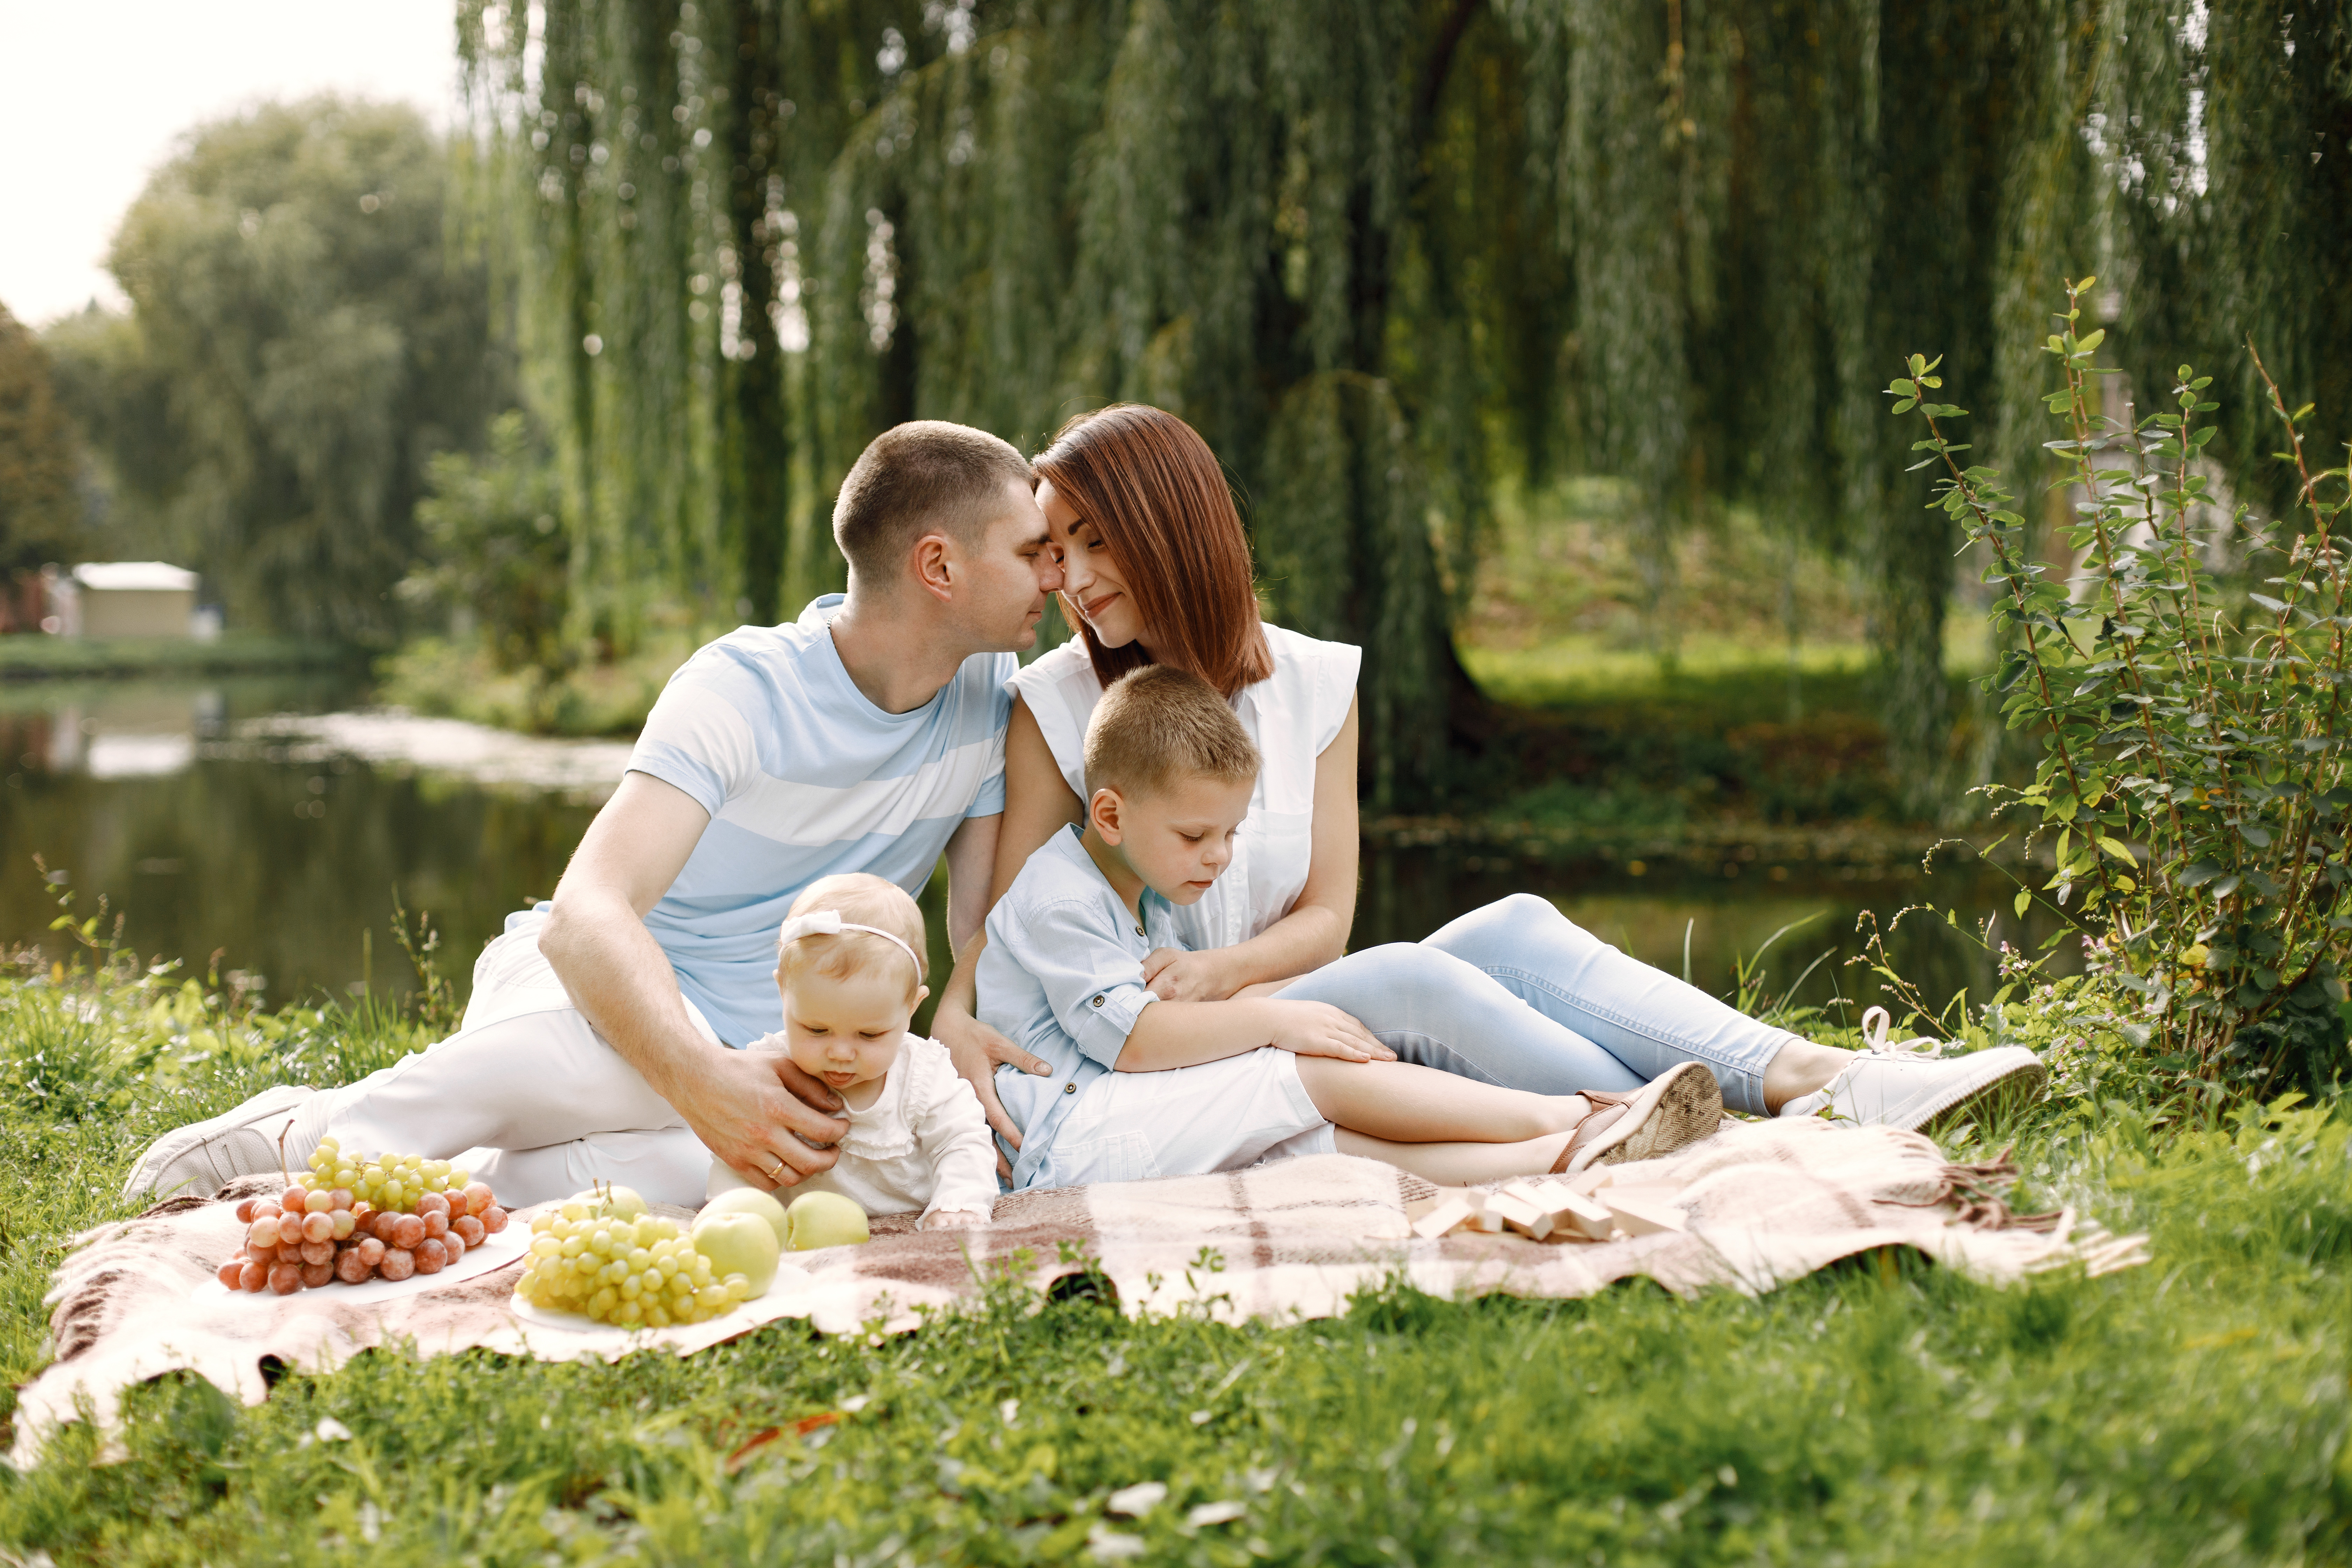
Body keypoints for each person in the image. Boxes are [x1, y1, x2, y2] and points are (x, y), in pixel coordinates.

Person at [931, 404, 2046, 1164]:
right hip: (1159, 1048)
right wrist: (949, 1008)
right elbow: (1016, 916)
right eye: (1053, 549)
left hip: (1258, 996)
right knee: (1417, 977)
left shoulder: (1316, 680)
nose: (1069, 578)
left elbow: (1327, 914)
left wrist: (1229, 969)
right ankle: (1695, 1128)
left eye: (1090, 541)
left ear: (1170, 530)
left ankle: (1813, 1073)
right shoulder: (1061, 706)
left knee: (1510, 920)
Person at [124, 420, 1063, 1208]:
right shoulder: (741, 688)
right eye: (1031, 552)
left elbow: (973, 918)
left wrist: (959, 1017)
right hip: (604, 998)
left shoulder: (988, 696)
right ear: (939, 566)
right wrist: (701, 1076)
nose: (1055, 574)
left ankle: (485, 1175)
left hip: (792, 1046)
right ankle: (310, 1136)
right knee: (591, 1078)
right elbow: (587, 918)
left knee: (765, 1165)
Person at [979, 664, 1725, 1189]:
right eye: (1197, 835)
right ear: (1110, 814)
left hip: (1111, 1113)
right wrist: (1281, 1020)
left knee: (1317, 1143)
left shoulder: (1138, 885)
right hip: (1069, 1139)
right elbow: (1137, 1040)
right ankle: (1576, 1113)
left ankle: (1562, 1154)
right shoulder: (1062, 900)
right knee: (1307, 1073)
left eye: (1232, 834)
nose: (1219, 857)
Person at [708, 874, 996, 1226]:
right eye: (816, 1029)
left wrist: (957, 1205)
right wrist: (731, 1214)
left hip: (908, 1222)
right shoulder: (768, 1071)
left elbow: (962, 1141)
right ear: (784, 991)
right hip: (807, 1234)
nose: (842, 1053)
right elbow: (739, 1152)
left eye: (869, 1034)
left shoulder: (922, 1074)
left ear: (911, 1008)